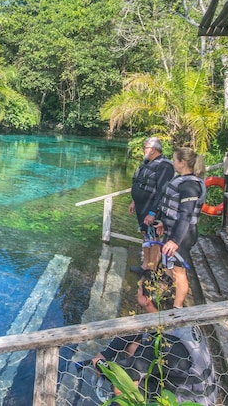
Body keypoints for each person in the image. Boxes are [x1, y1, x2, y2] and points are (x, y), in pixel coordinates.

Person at [90, 270, 218, 405]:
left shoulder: (166, 344)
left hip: (191, 400)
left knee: (121, 388)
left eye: (139, 288)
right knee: (133, 348)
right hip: (186, 383)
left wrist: (99, 363)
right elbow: (136, 330)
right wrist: (107, 353)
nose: (136, 291)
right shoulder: (174, 313)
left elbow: (120, 373)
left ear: (147, 299)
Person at [158, 147, 207, 309]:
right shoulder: (182, 180)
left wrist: (175, 240)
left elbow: (186, 214)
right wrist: (164, 223)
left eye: (175, 160)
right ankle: (162, 296)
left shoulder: (190, 185)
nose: (173, 163)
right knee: (168, 266)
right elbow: (175, 210)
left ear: (183, 163)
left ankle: (178, 308)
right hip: (172, 230)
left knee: (179, 272)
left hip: (182, 235)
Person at [128, 137, 175, 274]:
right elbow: (139, 182)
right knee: (145, 234)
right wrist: (134, 200)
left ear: (153, 149)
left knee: (153, 237)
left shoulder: (165, 166)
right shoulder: (147, 162)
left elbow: (161, 191)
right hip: (141, 206)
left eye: (145, 148)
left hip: (152, 208)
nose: (143, 150)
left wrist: (152, 212)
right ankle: (145, 265)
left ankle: (152, 268)